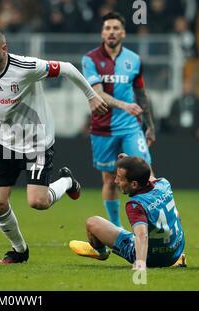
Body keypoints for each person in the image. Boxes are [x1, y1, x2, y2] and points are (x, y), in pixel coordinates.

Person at [0, 27, 108, 264]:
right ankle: (19, 251)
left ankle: (67, 181)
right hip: (2, 141)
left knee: (37, 202)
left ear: (4, 48)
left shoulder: (26, 67)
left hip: (37, 140)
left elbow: (67, 68)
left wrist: (91, 96)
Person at [81, 12, 156, 227]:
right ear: (102, 33)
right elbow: (97, 93)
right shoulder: (90, 59)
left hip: (131, 127)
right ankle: (116, 228)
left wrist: (149, 126)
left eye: (115, 28)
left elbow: (141, 94)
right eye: (107, 28)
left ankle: (157, 225)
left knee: (147, 173)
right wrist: (124, 105)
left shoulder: (134, 59)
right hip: (103, 129)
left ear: (123, 33)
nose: (111, 32)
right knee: (110, 180)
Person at [69, 154, 186, 270]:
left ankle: (101, 252)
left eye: (120, 178)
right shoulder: (164, 184)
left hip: (152, 258)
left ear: (134, 184)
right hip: (176, 251)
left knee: (92, 223)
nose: (115, 181)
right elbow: (146, 174)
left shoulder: (136, 205)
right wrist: (130, 161)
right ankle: (181, 256)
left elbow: (142, 235)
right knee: (173, 215)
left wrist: (140, 266)